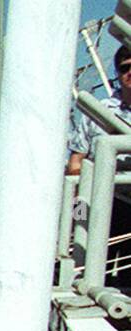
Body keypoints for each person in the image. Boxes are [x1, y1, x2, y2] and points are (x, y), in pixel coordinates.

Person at [68, 43, 131, 290]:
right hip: (105, 203)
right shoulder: (98, 112)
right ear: (117, 73)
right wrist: (78, 216)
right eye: (125, 68)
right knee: (95, 272)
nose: (130, 73)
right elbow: (75, 165)